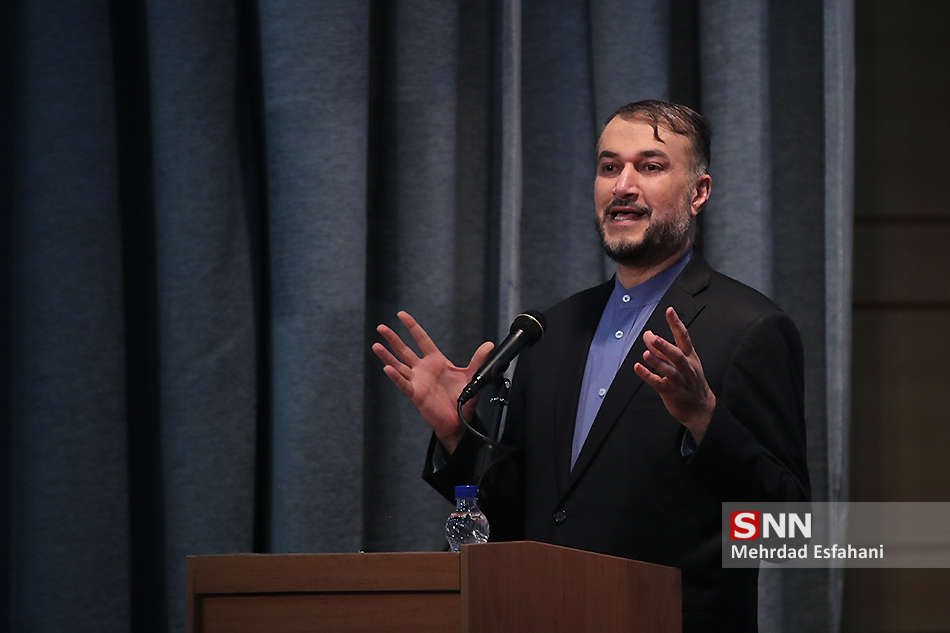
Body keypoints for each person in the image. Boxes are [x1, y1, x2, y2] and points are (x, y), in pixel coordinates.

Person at [373, 100, 810, 633]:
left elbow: (789, 531)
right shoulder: (549, 330)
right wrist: (457, 435)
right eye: (609, 167)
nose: (623, 185)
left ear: (698, 193)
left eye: (650, 166)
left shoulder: (750, 327)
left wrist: (704, 420)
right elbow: (518, 515)